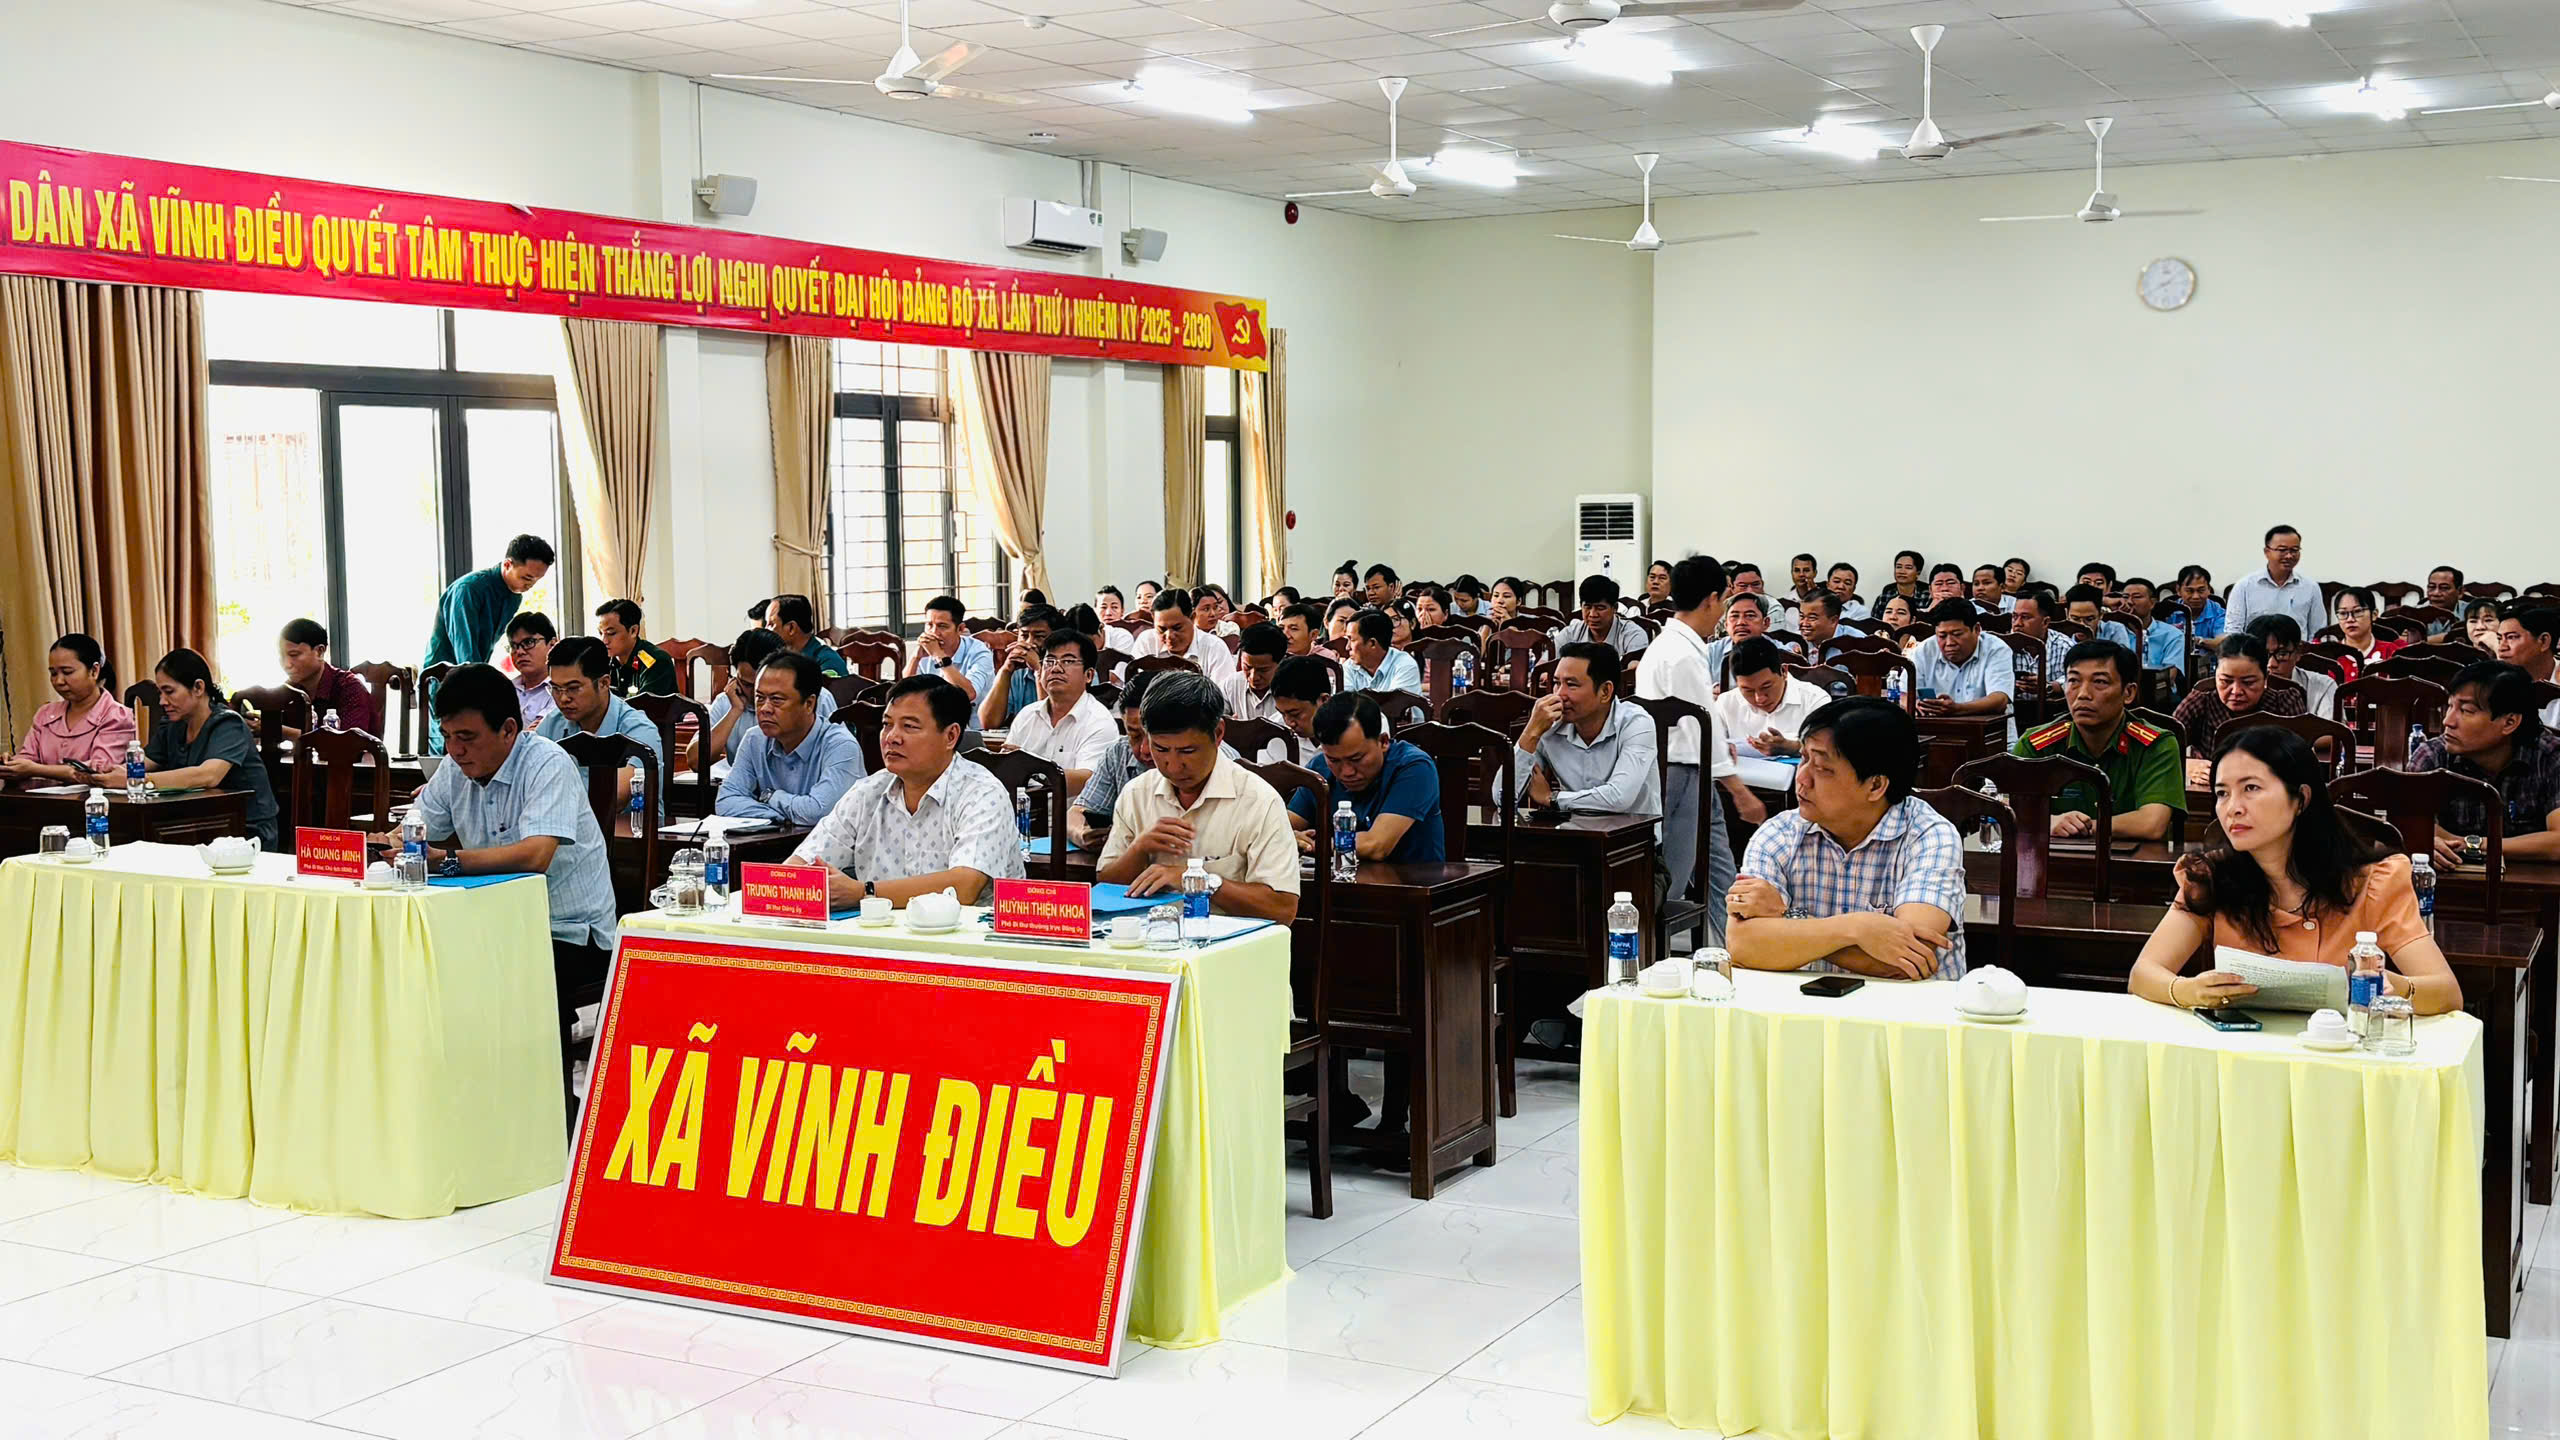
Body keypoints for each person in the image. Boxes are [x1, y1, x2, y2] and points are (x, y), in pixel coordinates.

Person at [381, 662, 618, 1121]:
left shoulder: (548, 763)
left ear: (509, 729)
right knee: (416, 965)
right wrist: (387, 845)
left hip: (567, 933)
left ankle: (548, 1117)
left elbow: (535, 855)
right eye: (448, 737)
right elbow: (414, 829)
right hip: (492, 923)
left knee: (505, 976)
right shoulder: (455, 769)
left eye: (467, 737)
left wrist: (445, 861)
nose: (456, 750)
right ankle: (460, 1108)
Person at [2129, 726, 2458, 1015]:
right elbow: (2143, 974)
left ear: (2301, 798)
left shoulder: (2373, 882)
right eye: (2222, 793)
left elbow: (2446, 991)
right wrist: (2187, 990)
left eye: (2251, 788)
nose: (2233, 808)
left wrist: (2390, 985)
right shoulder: (2212, 877)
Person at [1725, 698, 1967, 979]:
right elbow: (1742, 945)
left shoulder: (1929, 836)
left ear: (1875, 785)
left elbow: (1909, 960)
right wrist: (1857, 929)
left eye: (1822, 768)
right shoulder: (1778, 834)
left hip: (1908, 1005)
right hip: (1803, 1004)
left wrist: (1786, 917)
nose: (1802, 778)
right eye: (1804, 758)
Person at [791, 675, 1023, 908]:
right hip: (879, 929)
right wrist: (789, 882)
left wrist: (865, 892)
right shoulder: (868, 792)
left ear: (950, 736)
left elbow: (964, 887)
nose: (892, 737)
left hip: (968, 930)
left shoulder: (982, 793)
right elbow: (799, 866)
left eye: (909, 727)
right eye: (887, 724)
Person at [1097, 672, 1300, 921]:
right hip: (1148, 935)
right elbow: (1106, 884)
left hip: (1228, 941)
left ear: (1218, 733)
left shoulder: (1259, 801)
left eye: (1187, 751)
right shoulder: (1136, 794)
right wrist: (1139, 849)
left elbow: (1283, 909)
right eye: (1161, 749)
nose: (1173, 766)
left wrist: (1200, 881)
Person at [1639, 556, 1756, 941]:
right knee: (1673, 874)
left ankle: (1730, 944)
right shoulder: (1682, 653)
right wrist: (1740, 791)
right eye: (1724, 601)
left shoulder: (1670, 645)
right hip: (1681, 772)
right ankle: (1647, 950)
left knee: (1720, 867)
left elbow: (1703, 719)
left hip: (1691, 771)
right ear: (1711, 599)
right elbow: (1697, 727)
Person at [2012, 640, 2184, 842]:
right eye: (2073, 681)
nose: (2083, 694)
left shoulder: (2155, 745)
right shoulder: (2035, 745)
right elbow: (2007, 808)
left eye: (2100, 682)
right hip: (2051, 859)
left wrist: (2084, 827)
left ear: (2128, 693)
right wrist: (2049, 822)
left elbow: (2152, 824)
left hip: (2129, 859)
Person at [2412, 661, 2560, 865]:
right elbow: (2411, 827)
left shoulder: (2551, 757)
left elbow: (2557, 843)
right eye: (2450, 706)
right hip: (2452, 879)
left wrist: (2468, 844)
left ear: (2509, 722)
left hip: (2533, 882)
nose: (2448, 721)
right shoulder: (2432, 756)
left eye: (2466, 711)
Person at [420, 533, 554, 752]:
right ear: (508, 564)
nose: (530, 585)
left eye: (536, 580)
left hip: (472, 676)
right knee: (451, 748)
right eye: (527, 577)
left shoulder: (514, 596)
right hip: (445, 680)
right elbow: (465, 650)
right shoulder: (468, 589)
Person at [142, 649, 280, 850]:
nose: (162, 701)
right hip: (195, 824)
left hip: (245, 832)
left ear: (198, 687)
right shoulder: (173, 725)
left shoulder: (229, 724)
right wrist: (107, 772)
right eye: (160, 693)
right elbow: (143, 764)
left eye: (169, 692)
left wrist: (139, 781)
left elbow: (208, 776)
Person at [1286, 692, 1446, 862]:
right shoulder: (1319, 768)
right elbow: (1281, 827)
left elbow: (1376, 846)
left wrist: (1312, 845)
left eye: (1356, 759)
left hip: (1412, 877)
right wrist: (1291, 836)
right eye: (1334, 760)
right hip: (1344, 875)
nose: (1347, 772)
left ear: (1383, 741)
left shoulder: (1414, 767)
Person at [715, 652, 866, 825]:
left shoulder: (841, 746)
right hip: (776, 839)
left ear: (809, 704)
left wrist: (770, 797)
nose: (764, 709)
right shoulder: (754, 739)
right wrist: (779, 817)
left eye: (776, 700)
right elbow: (725, 802)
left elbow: (819, 812)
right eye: (760, 698)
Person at [1514, 643, 1659, 817]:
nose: (1559, 695)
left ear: (1605, 691)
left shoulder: (1636, 723)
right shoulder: (1548, 725)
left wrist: (1552, 798)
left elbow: (1619, 797)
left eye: (1571, 685)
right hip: (1574, 828)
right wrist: (1531, 732)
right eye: (1557, 683)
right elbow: (1501, 796)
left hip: (1631, 830)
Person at [535, 636, 669, 810]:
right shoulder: (552, 725)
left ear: (604, 683)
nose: (563, 698)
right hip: (565, 823)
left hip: (625, 826)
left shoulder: (639, 730)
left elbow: (613, 796)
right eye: (555, 688)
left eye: (573, 688)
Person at [2173, 632, 2306, 783]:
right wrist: (2188, 765)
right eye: (2226, 681)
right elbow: (2161, 746)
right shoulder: (2201, 701)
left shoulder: (2284, 702)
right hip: (2212, 792)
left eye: (2248, 683)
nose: (2236, 691)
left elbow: (2303, 760)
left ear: (2265, 679)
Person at [3, 633, 137, 783]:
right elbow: (28, 757)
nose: (58, 681)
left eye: (67, 672)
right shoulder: (46, 713)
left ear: (94, 671)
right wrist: (12, 764)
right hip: (40, 796)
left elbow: (100, 770)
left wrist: (35, 769)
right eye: (53, 673)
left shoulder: (116, 716)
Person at [1007, 629, 1117, 792]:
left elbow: (1088, 779)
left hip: (1071, 808)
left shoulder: (1099, 722)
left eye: (1068, 661)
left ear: (1088, 675)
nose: (1056, 668)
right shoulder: (1027, 714)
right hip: (1023, 806)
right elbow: (1007, 767)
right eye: (1049, 661)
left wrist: (1030, 769)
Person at [1069, 674, 1162, 848]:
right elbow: (1076, 813)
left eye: (1154, 736)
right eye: (1134, 735)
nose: (1144, 750)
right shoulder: (1119, 753)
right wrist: (1082, 834)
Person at [1911, 600, 2018, 741]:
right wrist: (1915, 704)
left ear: (1977, 629)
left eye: (1957, 634)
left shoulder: (1996, 649)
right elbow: (1905, 694)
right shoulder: (1923, 651)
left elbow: (1999, 700)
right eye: (1942, 636)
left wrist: (1957, 709)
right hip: (1937, 737)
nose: (1949, 643)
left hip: (1991, 738)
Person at [1716, 637, 1827, 757]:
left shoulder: (1814, 700)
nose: (1760, 698)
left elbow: (1827, 750)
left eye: (1766, 687)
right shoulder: (1726, 703)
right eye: (1748, 690)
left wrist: (1792, 747)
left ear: (1783, 671)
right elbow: (1707, 744)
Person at [272, 618, 382, 739]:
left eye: (294, 655)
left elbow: (349, 742)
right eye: (281, 656)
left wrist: (276, 730)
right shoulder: (290, 689)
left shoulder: (349, 688)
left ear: (320, 652)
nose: (286, 664)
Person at [909, 595, 997, 737]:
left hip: (975, 731)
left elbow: (968, 694)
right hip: (935, 728)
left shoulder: (979, 652)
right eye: (929, 625)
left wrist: (939, 656)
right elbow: (906, 692)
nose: (934, 633)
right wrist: (915, 657)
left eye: (942, 626)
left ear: (960, 629)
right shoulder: (925, 650)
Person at [2222, 524, 2324, 638]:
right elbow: (2233, 632)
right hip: (2256, 648)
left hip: (2298, 649)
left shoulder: (2310, 587)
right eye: (2282, 550)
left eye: (2294, 550)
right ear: (2267, 552)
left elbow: (2318, 633)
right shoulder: (2244, 586)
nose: (2289, 556)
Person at [978, 604, 1059, 731]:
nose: (1029, 643)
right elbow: (988, 722)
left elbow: (1052, 724)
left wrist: (1039, 670)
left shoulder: (1068, 671)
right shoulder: (1017, 672)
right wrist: (1005, 670)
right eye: (1024, 636)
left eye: (1039, 636)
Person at [1131, 587, 1238, 681]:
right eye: (1162, 629)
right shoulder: (1146, 642)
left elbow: (1222, 694)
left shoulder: (1214, 647)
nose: (1169, 636)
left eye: (1177, 628)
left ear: (1192, 618)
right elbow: (1132, 689)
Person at [2247, 615, 2336, 721]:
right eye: (2262, 655)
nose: (2271, 664)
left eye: (2281, 654)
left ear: (2298, 652)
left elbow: (2331, 730)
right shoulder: (2238, 690)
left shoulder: (2323, 686)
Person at [1703, 592, 1794, 683]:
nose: (1741, 622)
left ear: (1766, 623)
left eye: (1750, 616)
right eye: (1734, 616)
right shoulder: (1710, 653)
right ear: (1726, 625)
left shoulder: (1783, 655)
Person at [592, 599, 676, 698]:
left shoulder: (656, 662)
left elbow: (644, 705)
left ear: (633, 631)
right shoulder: (602, 660)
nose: (604, 640)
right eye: (600, 633)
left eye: (611, 633)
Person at [1551, 574, 1648, 653]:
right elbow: (1549, 664)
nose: (1593, 614)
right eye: (1588, 607)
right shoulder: (1570, 634)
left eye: (1600, 608)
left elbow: (1634, 668)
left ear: (1615, 608)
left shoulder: (1633, 635)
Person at [1267, 655, 1332, 763]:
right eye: (1282, 714)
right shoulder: (1273, 731)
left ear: (1324, 701)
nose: (1289, 723)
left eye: (1295, 714)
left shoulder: (1352, 732)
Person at [1341, 610, 1422, 694]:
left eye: (1352, 640)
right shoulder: (1348, 667)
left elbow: (1398, 701)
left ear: (1372, 643)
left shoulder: (1405, 665)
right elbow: (1344, 701)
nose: (1347, 647)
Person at [768, 595, 847, 679]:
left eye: (771, 624)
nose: (765, 629)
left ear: (791, 628)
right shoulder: (780, 656)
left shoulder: (827, 662)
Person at [504, 613, 559, 733]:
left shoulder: (561, 691)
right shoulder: (504, 689)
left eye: (529, 642)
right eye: (514, 646)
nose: (519, 652)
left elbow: (537, 734)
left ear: (552, 644)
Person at [1223, 622, 1286, 723]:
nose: (1253, 677)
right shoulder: (1231, 685)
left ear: (1281, 662)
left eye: (1263, 670)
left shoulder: (1293, 691)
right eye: (1247, 667)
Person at [2118, 578, 2186, 671]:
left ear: (2152, 603)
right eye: (2125, 597)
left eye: (2137, 597)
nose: (2129, 602)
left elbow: (2171, 674)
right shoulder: (2113, 631)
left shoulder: (2172, 635)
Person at [2061, 585, 2139, 656]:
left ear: (2101, 614)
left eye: (2089, 619)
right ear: (2067, 614)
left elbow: (2124, 662)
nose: (2082, 624)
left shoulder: (2114, 630)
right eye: (2075, 619)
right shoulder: (2061, 635)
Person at [2010, 589, 2069, 683]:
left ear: (2045, 622)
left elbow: (2073, 678)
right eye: (2015, 617)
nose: (2017, 623)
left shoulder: (2064, 646)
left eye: (2025, 617)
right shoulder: (2003, 645)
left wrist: (2048, 686)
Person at [1795, 590, 1848, 662]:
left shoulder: (1856, 643)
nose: (1804, 624)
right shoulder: (1795, 640)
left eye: (1812, 618)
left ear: (1833, 621)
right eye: (1802, 616)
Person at [2176, 564, 2226, 640]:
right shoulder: (2169, 613)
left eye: (2201, 590)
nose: (2195, 596)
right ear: (2178, 590)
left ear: (2209, 589)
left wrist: (2195, 641)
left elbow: (2222, 641)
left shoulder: (2219, 613)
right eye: (2189, 591)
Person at [2423, 566, 2464, 634]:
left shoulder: (2472, 612)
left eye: (2444, 588)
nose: (2436, 593)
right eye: (2431, 587)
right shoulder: (2413, 614)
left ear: (2460, 592)